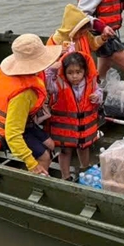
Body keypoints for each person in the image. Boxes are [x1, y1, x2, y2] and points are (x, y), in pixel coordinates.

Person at [0, 34, 62, 175]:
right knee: (45, 157)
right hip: (5, 130)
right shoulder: (23, 94)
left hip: (18, 120)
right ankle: (38, 183)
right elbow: (13, 135)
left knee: (50, 145)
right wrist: (31, 163)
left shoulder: (7, 68)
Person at [47, 52, 103, 180]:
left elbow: (99, 91)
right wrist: (51, 71)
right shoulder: (59, 84)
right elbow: (49, 87)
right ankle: (65, 176)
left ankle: (85, 167)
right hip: (65, 131)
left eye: (78, 72)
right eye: (70, 73)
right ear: (64, 73)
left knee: (84, 148)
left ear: (84, 71)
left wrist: (97, 97)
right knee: (65, 152)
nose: (75, 76)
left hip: (83, 130)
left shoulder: (91, 82)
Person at [47, 3, 109, 82]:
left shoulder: (84, 35)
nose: (82, 35)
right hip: (66, 78)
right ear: (72, 29)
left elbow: (93, 44)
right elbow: (47, 61)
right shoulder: (55, 40)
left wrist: (102, 38)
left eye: (84, 32)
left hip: (84, 73)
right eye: (80, 33)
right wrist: (57, 53)